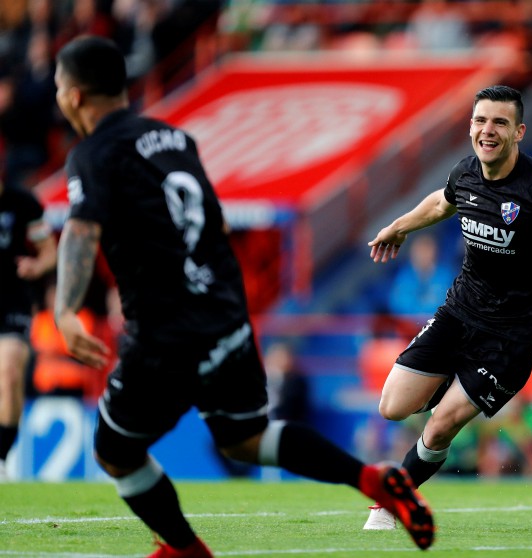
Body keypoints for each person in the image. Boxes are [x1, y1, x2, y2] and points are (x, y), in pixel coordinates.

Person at [51, 37, 433, 557]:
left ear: (73, 96)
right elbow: (219, 220)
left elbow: (80, 230)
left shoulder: (92, 153)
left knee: (115, 449)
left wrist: (66, 308)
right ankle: (373, 480)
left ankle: (186, 549)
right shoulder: (173, 138)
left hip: (166, 329)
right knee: (245, 438)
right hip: (224, 313)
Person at [365, 85, 532, 529]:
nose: (488, 130)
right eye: (481, 121)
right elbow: (443, 202)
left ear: (518, 131)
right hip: (460, 312)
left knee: (440, 426)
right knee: (392, 406)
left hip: (512, 335)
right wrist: (398, 226)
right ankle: (457, 388)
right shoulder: (465, 173)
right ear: (471, 128)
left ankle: (394, 498)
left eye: (499, 122)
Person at [0, 177, 56, 480]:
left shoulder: (22, 202)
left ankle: (1, 457)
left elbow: (50, 250)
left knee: (9, 374)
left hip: (12, 303)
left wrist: (37, 266)